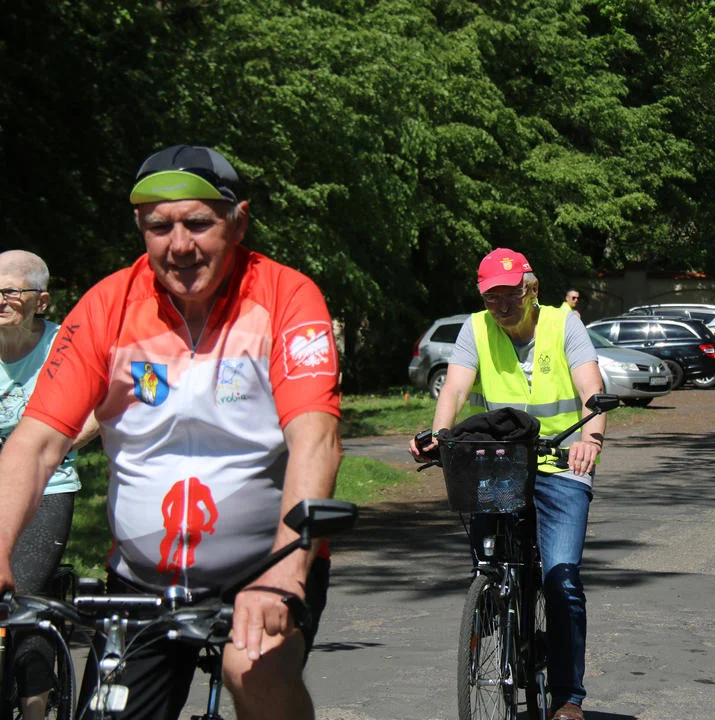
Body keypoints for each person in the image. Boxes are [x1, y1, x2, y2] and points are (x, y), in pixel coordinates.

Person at [0, 146, 343, 720]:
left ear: (238, 221)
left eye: (198, 223)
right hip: (139, 581)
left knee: (251, 669)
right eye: (159, 226)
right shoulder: (106, 306)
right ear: (140, 227)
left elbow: (316, 439)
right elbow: (35, 445)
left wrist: (286, 568)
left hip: (266, 565)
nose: (178, 244)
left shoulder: (286, 296)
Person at [409, 248, 605, 720]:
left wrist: (591, 440)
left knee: (561, 579)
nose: (501, 304)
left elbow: (590, 390)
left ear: (529, 287)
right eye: (491, 296)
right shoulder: (475, 329)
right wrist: (439, 435)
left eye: (510, 293)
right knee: (490, 562)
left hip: (561, 465)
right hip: (497, 466)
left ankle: (567, 698)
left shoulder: (563, 324)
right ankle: (495, 601)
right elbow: (454, 389)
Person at [0, 251, 98, 720]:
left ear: (40, 301)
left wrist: (58, 443)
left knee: (21, 598)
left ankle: (34, 707)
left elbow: (101, 403)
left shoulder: (64, 345)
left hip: (47, 484)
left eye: (9, 291)